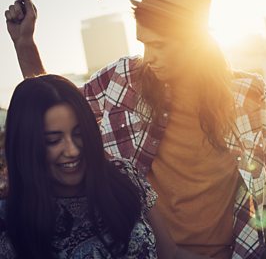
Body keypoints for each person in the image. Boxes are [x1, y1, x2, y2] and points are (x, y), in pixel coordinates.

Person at [5, 0, 266, 258]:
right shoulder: (123, 80)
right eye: (145, 44)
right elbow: (58, 109)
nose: (150, 58)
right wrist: (24, 44)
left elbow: (265, 147)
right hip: (145, 250)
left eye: (161, 45)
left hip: (230, 250)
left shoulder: (246, 92)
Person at [0, 74, 194, 258]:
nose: (73, 150)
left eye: (79, 133)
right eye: (53, 140)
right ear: (25, 147)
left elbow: (171, 254)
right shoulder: (9, 222)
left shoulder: (124, 176)